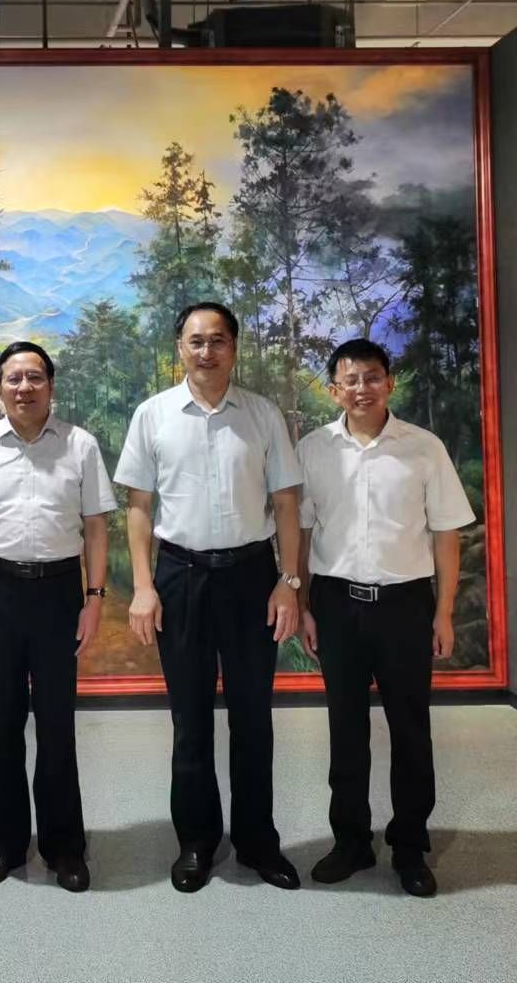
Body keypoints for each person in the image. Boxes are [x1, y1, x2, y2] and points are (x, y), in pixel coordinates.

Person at [115, 301, 304, 894]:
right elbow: (139, 508)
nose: (207, 351)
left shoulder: (262, 414)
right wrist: (143, 586)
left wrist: (289, 582)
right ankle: (196, 841)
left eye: (218, 340)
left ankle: (257, 842)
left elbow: (286, 505)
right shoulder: (152, 415)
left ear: (233, 348)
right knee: (190, 718)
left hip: (251, 577)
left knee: (253, 718)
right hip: (181, 577)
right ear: (180, 348)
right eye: (196, 341)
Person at [297, 338, 476, 900]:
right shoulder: (313, 450)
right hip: (336, 603)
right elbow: (301, 531)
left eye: (372, 377)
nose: (362, 389)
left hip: (405, 605)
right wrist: (303, 605)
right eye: (350, 380)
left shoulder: (424, 448)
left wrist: (443, 611)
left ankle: (409, 846)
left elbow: (446, 534)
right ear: (334, 390)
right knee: (345, 727)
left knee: (410, 728)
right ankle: (351, 841)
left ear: (389, 383)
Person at [0, 340, 114, 893]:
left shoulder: (80, 445)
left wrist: (94, 597)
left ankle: (65, 847)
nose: (24, 387)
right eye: (13, 378)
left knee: (57, 725)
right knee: (0, 723)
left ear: (51, 386)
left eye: (35, 377)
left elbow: (96, 525)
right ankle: (3, 845)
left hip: (59, 593)